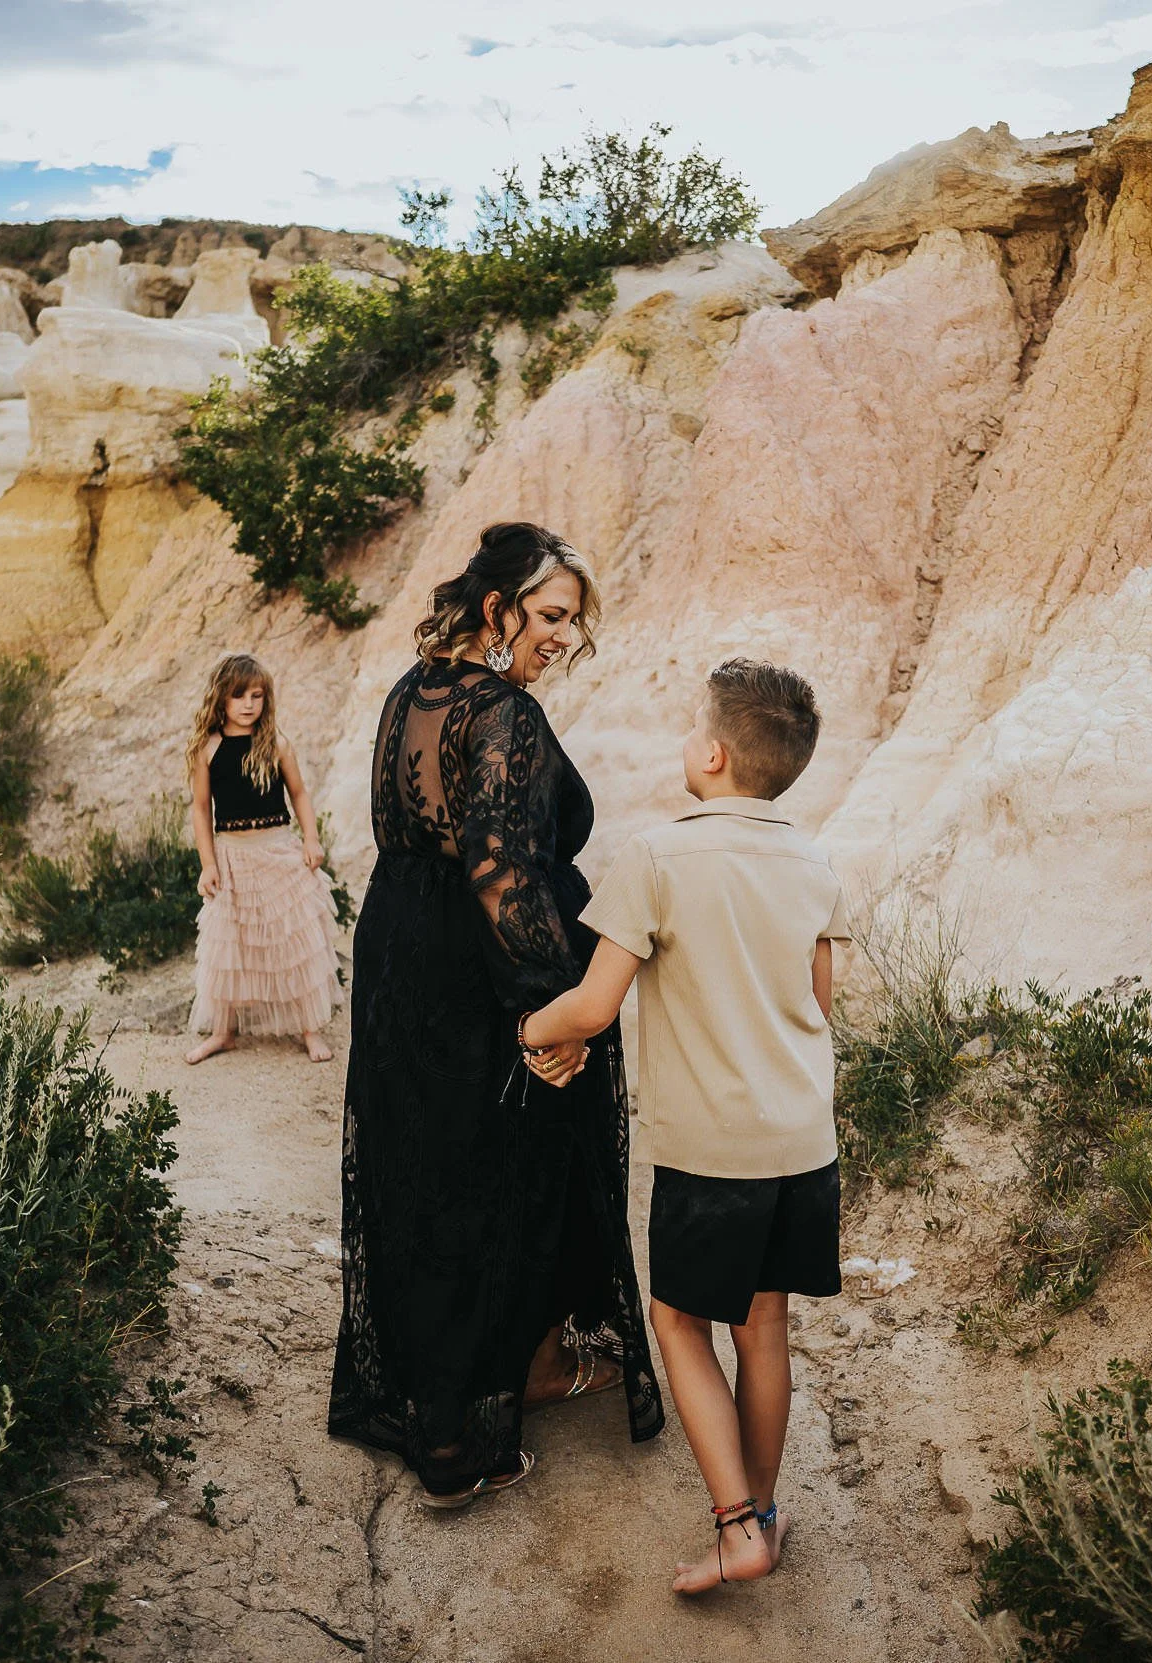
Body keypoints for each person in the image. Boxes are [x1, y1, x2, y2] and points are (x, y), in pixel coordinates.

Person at [329, 522, 663, 1506]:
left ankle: (459, 1387)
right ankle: (476, 1423)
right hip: (486, 971)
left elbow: (415, 843)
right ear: (497, 610)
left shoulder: (413, 689)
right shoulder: (505, 711)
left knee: (427, 1167)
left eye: (572, 621)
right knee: (503, 1175)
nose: (562, 636)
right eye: (552, 615)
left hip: (402, 955)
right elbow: (498, 866)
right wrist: (548, 1011)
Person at [521, 659, 849, 1593]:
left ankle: (736, 1524)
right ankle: (767, 1513)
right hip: (802, 1141)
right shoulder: (816, 859)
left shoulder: (656, 857)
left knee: (677, 1319)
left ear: (710, 751)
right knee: (766, 1327)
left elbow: (591, 1006)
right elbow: (822, 1001)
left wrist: (529, 1029)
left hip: (713, 1150)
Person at [184, 653, 340, 1065]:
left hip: (278, 851)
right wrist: (208, 863)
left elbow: (300, 794)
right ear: (221, 699)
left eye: (257, 695)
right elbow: (201, 808)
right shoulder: (208, 748)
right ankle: (223, 1032)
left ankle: (310, 1029)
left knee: (292, 940)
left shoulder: (276, 743)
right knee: (228, 945)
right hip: (232, 854)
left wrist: (311, 839)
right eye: (239, 696)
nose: (249, 704)